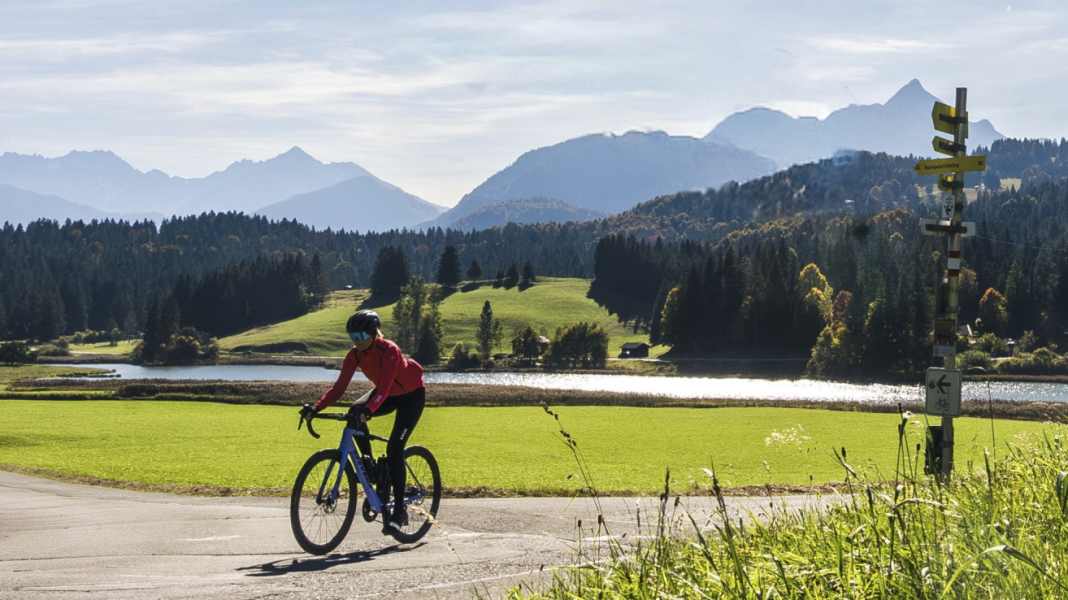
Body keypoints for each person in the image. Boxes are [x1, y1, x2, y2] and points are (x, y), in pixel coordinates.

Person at [303, 309, 425, 531]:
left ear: (373, 333)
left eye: (360, 337)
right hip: (386, 394)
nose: (356, 342)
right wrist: (316, 407)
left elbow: (386, 386)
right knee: (353, 411)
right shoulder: (355, 355)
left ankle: (399, 510)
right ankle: (368, 464)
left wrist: (369, 410)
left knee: (395, 448)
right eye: (353, 338)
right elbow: (339, 388)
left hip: (411, 396)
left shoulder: (389, 350)